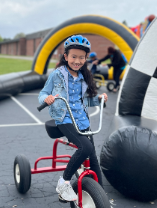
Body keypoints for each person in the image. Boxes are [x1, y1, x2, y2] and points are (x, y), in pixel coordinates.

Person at [38, 35, 108, 202]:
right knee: (85, 147)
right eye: (74, 56)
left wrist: (99, 99)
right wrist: (46, 99)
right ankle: (64, 182)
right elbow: (43, 93)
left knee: (92, 157)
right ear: (66, 57)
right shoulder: (57, 75)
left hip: (82, 120)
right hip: (64, 118)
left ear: (86, 59)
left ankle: (102, 197)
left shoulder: (84, 77)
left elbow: (83, 100)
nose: (77, 60)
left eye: (81, 57)